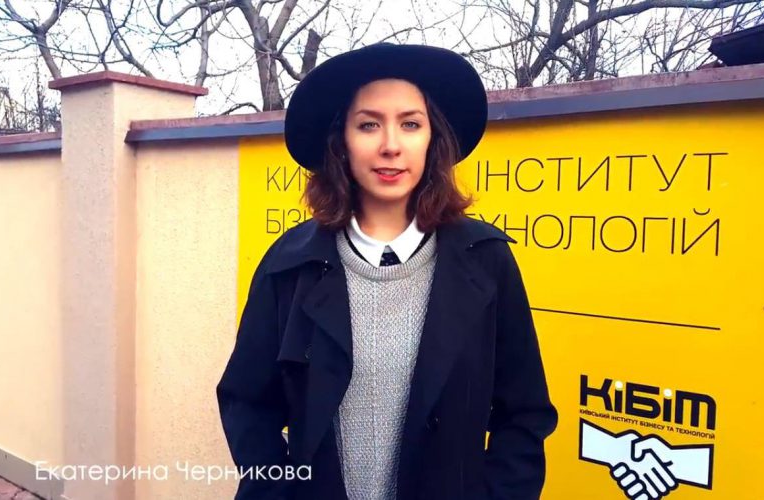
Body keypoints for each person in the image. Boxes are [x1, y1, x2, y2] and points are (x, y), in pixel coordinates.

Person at [217, 42, 558, 500]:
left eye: (411, 124)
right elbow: (247, 404)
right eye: (369, 124)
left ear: (433, 139)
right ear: (341, 142)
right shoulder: (291, 265)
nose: (391, 146)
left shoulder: (486, 261)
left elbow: (524, 414)